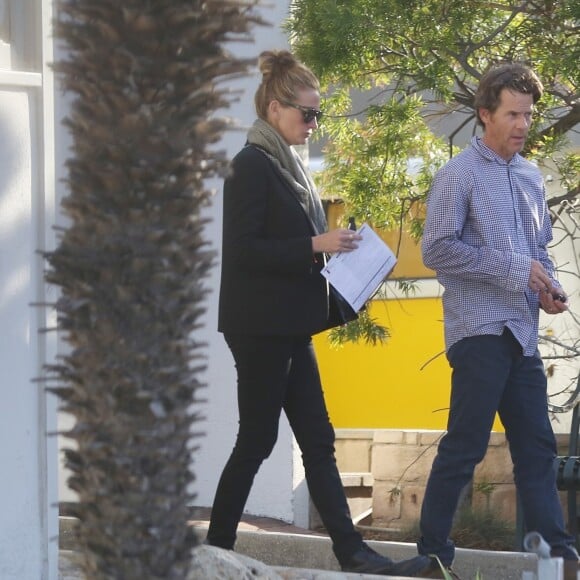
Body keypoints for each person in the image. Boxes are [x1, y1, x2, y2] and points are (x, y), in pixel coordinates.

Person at [205, 49, 431, 577]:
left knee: (319, 439)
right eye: (307, 113)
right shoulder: (249, 165)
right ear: (275, 107)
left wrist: (338, 251)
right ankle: (215, 548)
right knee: (258, 439)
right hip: (259, 328)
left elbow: (292, 245)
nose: (313, 123)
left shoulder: (290, 167)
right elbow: (241, 252)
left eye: (318, 114)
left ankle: (351, 551)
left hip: (289, 325)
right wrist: (315, 242)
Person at [417, 62, 580, 579]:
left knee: (535, 448)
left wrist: (548, 288)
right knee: (465, 446)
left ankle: (557, 553)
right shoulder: (457, 175)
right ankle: (433, 553)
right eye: (512, 113)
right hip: (478, 329)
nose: (522, 124)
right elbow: (437, 250)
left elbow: (538, 253)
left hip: (523, 333)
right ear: (485, 114)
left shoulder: (531, 176)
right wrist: (517, 271)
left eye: (528, 114)